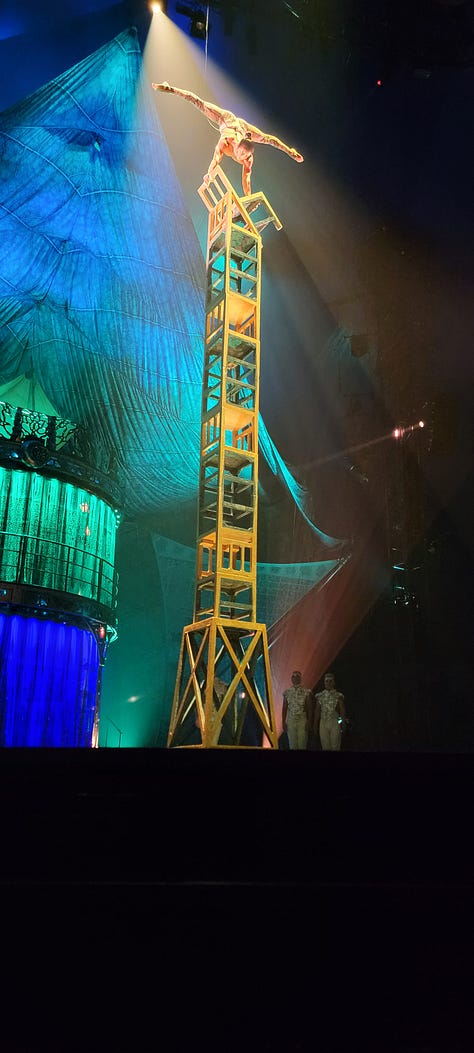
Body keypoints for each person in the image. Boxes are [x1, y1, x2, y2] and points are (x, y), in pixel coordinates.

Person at [151, 82, 304, 195]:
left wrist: (248, 198)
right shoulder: (225, 143)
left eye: (244, 156)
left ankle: (289, 150)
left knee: (266, 139)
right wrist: (209, 173)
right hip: (226, 120)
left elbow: (246, 179)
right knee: (199, 103)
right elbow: (216, 159)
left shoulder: (248, 159)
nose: (241, 157)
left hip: (243, 127)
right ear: (237, 147)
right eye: (241, 153)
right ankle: (170, 88)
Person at [313, 672, 347, 752]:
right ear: (324, 683)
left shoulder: (338, 695)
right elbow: (317, 711)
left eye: (330, 681)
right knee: (325, 746)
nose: (328, 683)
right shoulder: (320, 695)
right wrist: (315, 724)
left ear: (334, 682)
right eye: (326, 681)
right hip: (323, 722)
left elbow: (342, 710)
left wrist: (343, 723)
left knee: (335, 745)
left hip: (334, 721)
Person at [282, 670, 312, 750]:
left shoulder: (306, 691)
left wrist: (309, 721)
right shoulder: (287, 692)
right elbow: (284, 708)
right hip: (291, 719)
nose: (295, 678)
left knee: (302, 743)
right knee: (292, 744)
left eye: (297, 676)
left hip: (302, 719)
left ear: (300, 678)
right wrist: (283, 722)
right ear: (291, 679)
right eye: (293, 676)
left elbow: (310, 708)